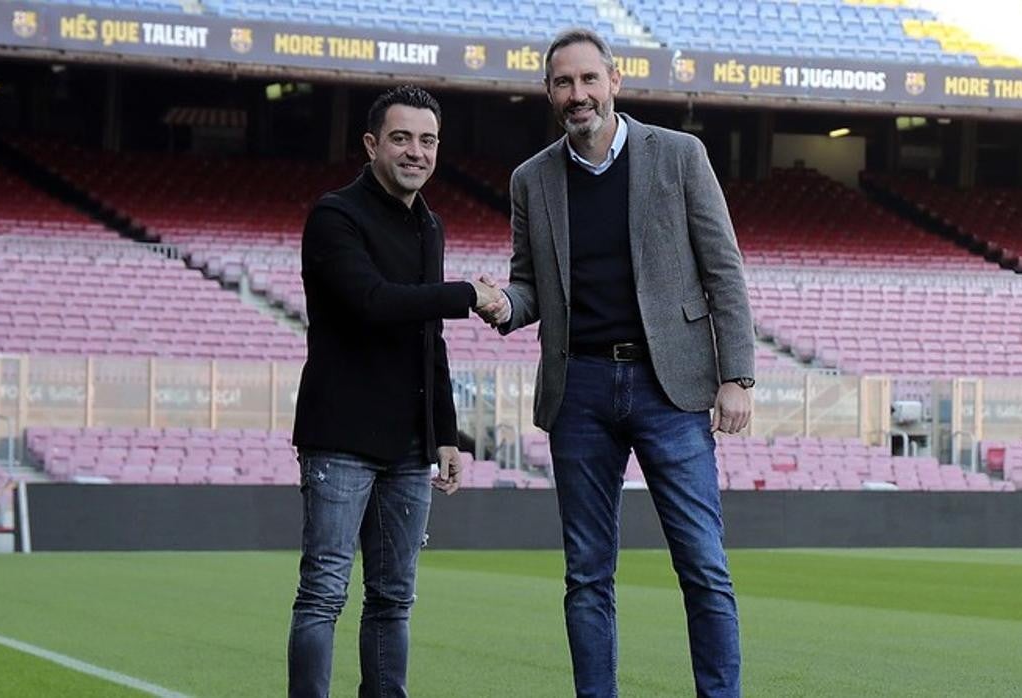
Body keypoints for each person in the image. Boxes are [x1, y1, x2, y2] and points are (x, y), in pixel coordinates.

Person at [475, 28, 755, 698]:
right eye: (563, 83)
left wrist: (736, 376)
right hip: (581, 392)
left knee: (703, 565)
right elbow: (530, 285)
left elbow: (724, 271)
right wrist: (502, 306)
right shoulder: (531, 180)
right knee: (587, 574)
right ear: (549, 93)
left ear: (615, 82)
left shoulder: (680, 155)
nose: (578, 94)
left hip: (672, 387)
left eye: (588, 80)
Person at [288, 85, 500, 698]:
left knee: (393, 599)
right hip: (341, 435)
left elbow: (426, 338)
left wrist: (448, 434)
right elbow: (373, 303)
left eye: (428, 140)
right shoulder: (335, 216)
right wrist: (469, 293)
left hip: (411, 444)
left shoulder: (428, 224)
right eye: (402, 138)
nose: (416, 152)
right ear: (371, 143)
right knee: (325, 591)